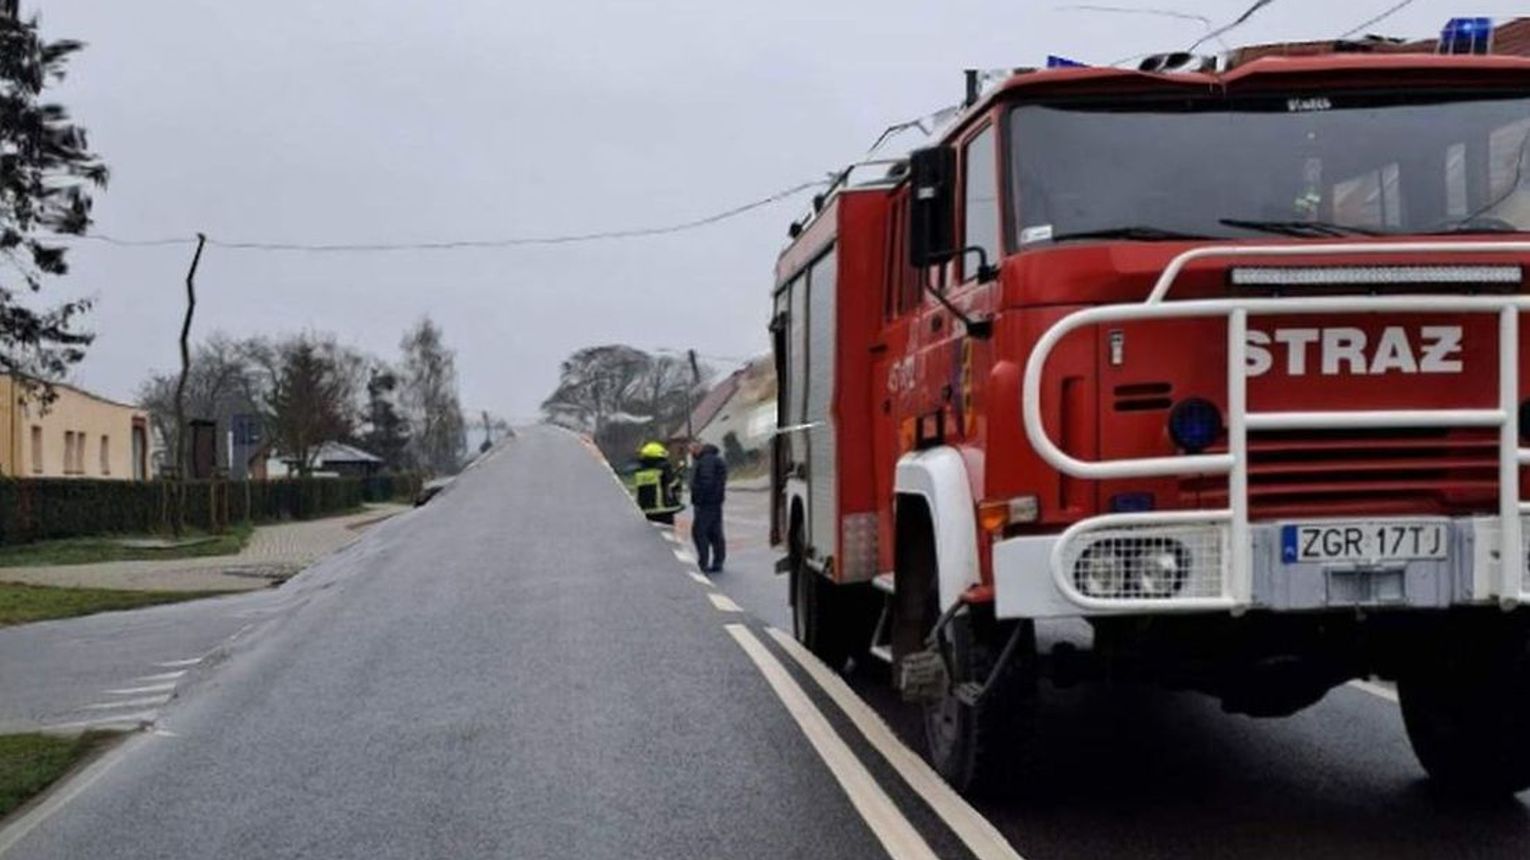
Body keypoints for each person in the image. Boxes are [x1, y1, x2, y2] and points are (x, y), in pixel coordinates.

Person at [689, 441, 727, 572]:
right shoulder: (713, 459)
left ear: (698, 448)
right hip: (715, 502)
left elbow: (706, 481)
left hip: (706, 503)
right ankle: (718, 562)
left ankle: (703, 563)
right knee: (715, 532)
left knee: (699, 532)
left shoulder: (706, 460)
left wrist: (699, 498)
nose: (691, 453)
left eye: (692, 450)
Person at [632, 441, 682, 524]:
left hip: (645, 508)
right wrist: (678, 475)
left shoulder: (639, 470)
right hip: (662, 508)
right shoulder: (664, 467)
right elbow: (673, 484)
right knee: (666, 532)